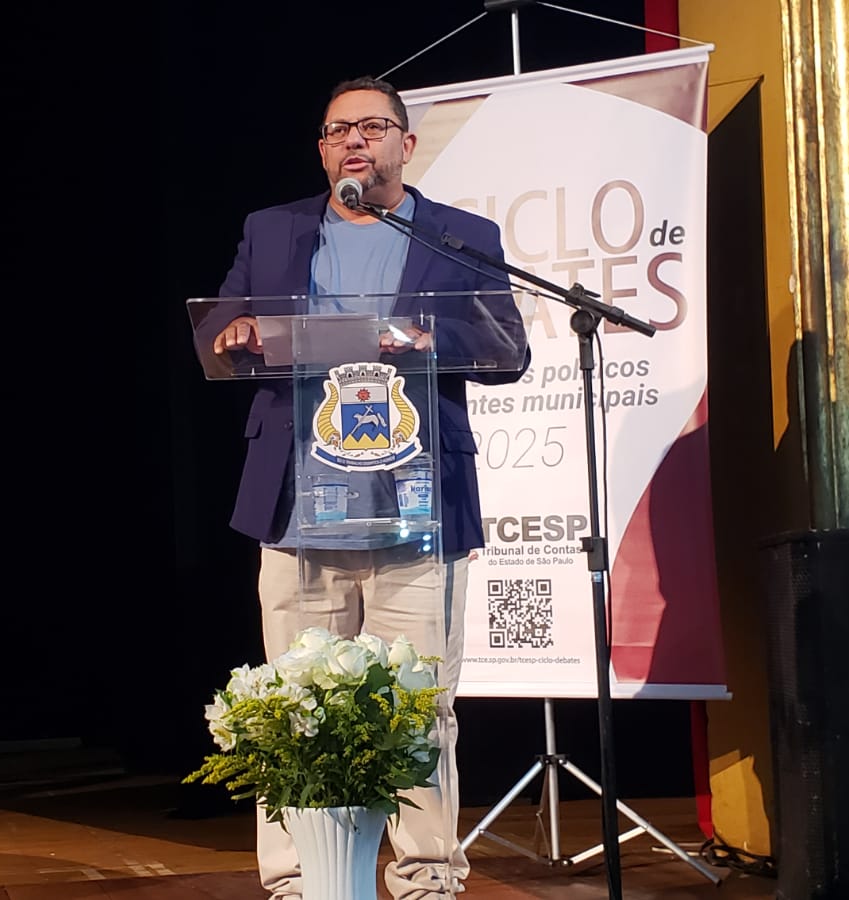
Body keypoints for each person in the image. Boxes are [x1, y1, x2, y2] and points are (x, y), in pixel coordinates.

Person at [207, 76, 530, 900]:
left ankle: (426, 877)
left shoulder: (460, 235)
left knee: (418, 706)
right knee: (290, 703)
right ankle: (296, 878)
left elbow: (507, 349)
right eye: (337, 130)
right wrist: (233, 330)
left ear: (406, 144)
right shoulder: (272, 228)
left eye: (373, 127)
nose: (354, 140)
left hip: (417, 511)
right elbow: (219, 327)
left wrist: (427, 335)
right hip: (298, 506)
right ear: (322, 148)